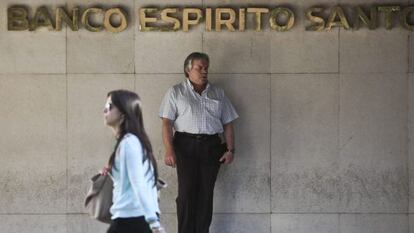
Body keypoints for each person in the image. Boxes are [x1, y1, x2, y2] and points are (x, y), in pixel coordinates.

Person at [159, 52, 239, 233]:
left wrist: (231, 150)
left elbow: (228, 122)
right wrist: (169, 150)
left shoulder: (218, 92)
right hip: (185, 146)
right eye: (199, 68)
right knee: (186, 194)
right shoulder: (176, 92)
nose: (204, 71)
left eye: (206, 68)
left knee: (205, 194)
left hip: (211, 147)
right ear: (188, 70)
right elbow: (166, 123)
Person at [102, 90, 165, 233]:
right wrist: (113, 172)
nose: (105, 109)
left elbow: (139, 183)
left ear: (124, 113)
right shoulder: (128, 142)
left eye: (110, 106)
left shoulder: (129, 143)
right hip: (131, 218)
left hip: (133, 219)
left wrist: (153, 223)